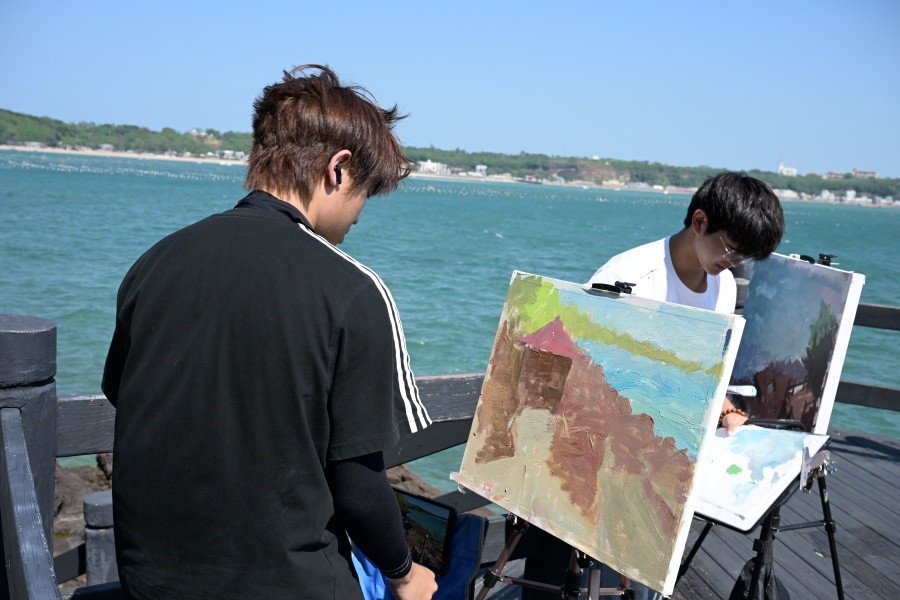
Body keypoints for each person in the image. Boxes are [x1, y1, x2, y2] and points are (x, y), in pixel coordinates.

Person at [102, 64, 437, 600]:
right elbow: (358, 486)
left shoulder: (155, 263)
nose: (357, 218)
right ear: (338, 169)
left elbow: (127, 397)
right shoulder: (352, 291)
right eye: (365, 195)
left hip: (150, 582)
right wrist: (403, 572)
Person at [580, 170, 786, 600]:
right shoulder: (632, 276)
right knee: (605, 578)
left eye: (745, 255)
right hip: (608, 456)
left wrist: (726, 409)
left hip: (668, 456)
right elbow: (584, 370)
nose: (735, 262)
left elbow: (703, 369)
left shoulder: (722, 285)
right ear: (699, 221)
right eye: (731, 248)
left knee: (650, 579)